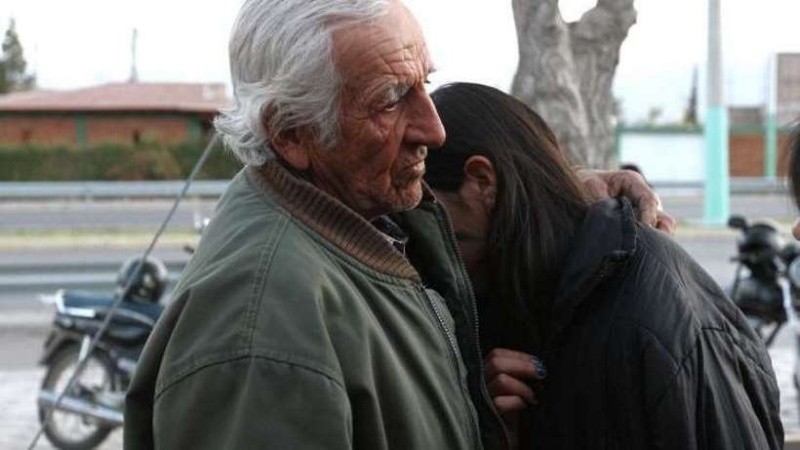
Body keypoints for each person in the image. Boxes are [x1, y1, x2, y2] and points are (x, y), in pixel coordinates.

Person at [124, 2, 669, 449]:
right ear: (291, 133)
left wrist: (566, 198)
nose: (433, 128)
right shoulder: (262, 329)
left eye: (424, 84)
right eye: (390, 99)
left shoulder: (363, 219)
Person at [424, 82, 783, 449]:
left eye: (428, 219)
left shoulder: (643, 311)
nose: (423, 251)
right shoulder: (539, 294)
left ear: (482, 182)